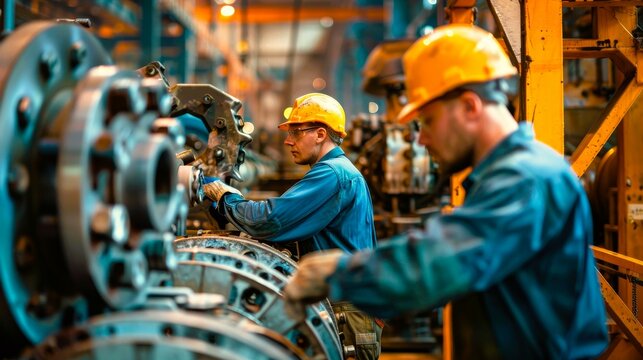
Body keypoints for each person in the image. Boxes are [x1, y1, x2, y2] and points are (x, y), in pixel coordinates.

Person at [283, 24, 609, 359]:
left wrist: (338, 274)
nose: (421, 139)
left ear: (470, 106)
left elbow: (440, 262)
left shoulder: (527, 179)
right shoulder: (506, 177)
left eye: (428, 120)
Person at [203, 92, 383, 359]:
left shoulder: (332, 174)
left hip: (348, 312)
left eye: (296, 133)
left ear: (320, 134)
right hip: (348, 306)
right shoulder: (338, 171)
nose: (288, 141)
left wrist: (225, 197)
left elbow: (269, 220)